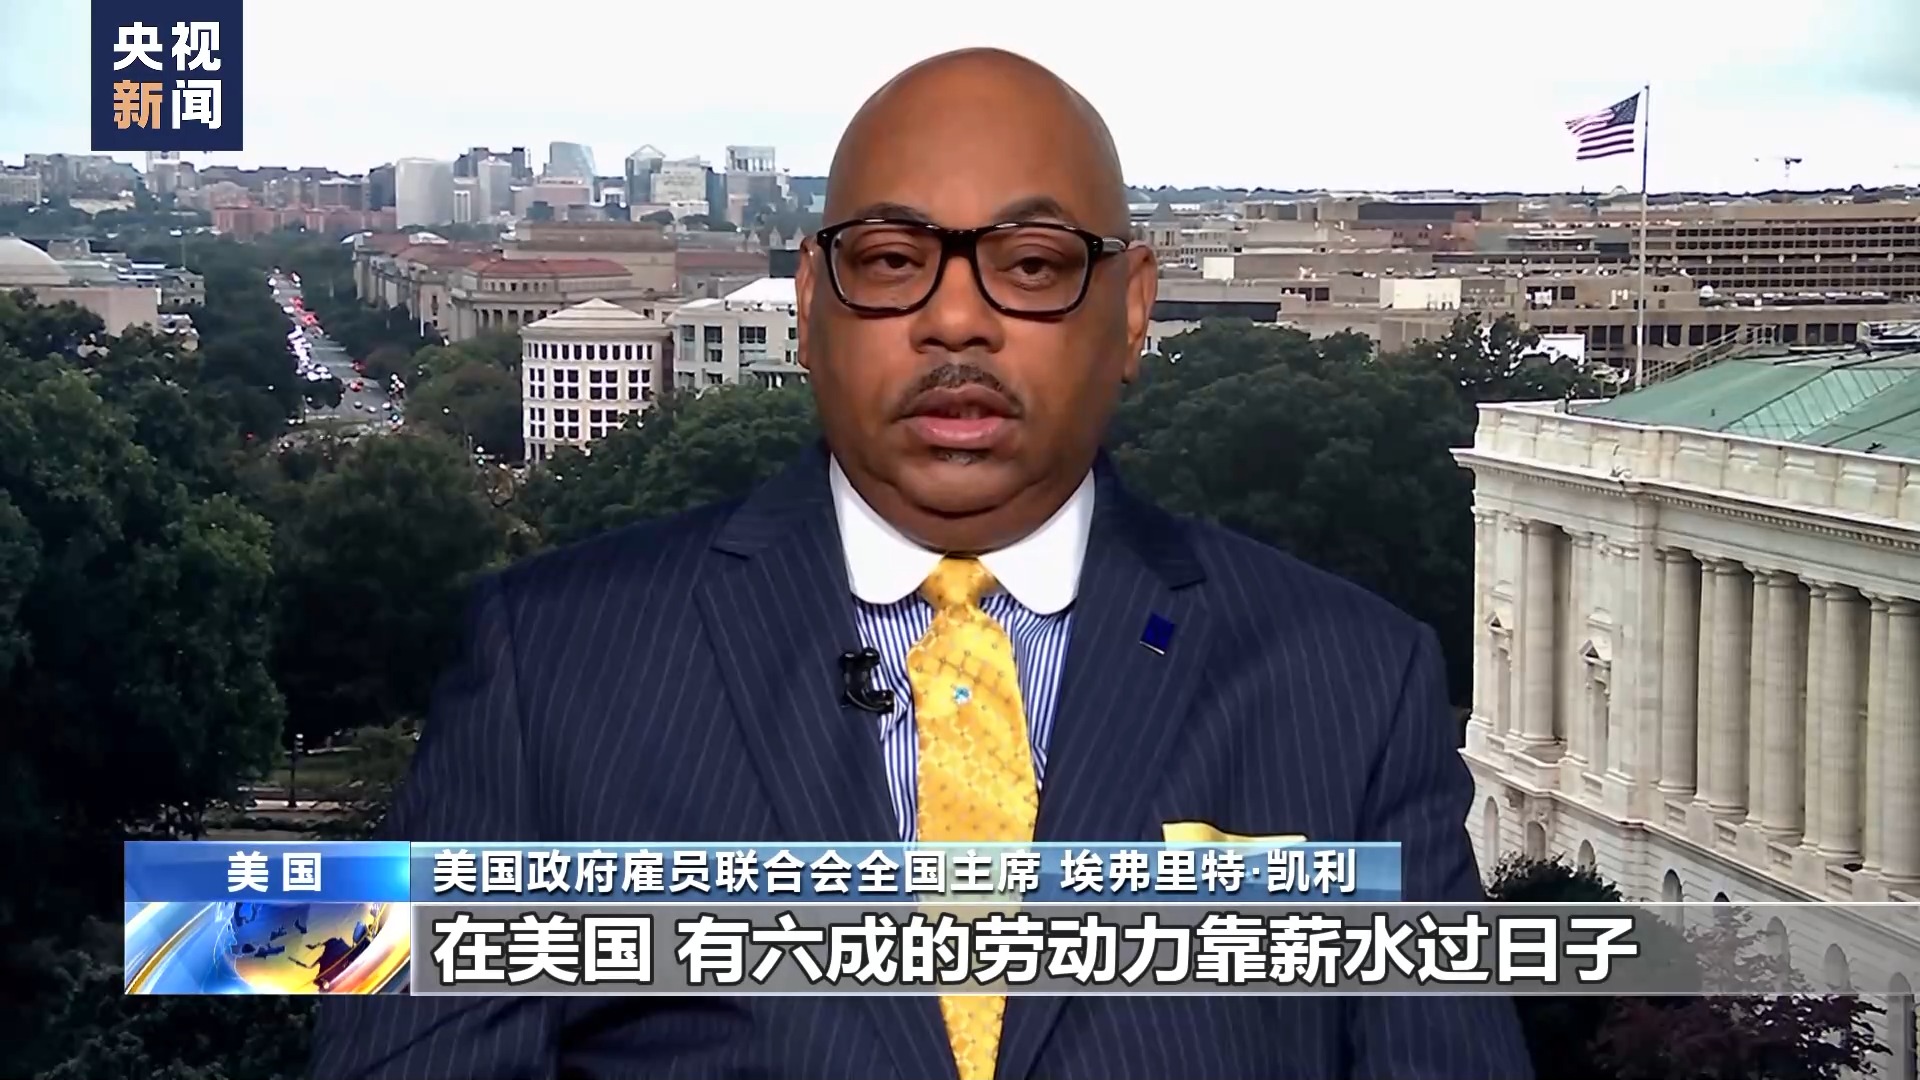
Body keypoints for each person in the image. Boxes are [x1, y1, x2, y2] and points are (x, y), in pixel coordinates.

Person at [313, 48, 1532, 1080]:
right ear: (810, 303)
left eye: (1034, 265)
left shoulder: (1350, 682)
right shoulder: (552, 662)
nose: (956, 320)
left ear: (1132, 309)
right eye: (894, 261)